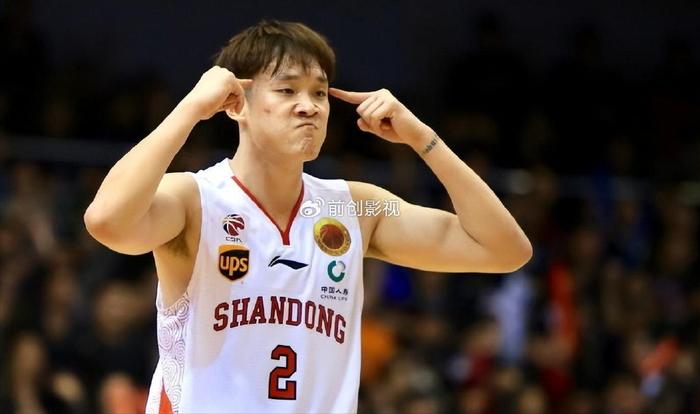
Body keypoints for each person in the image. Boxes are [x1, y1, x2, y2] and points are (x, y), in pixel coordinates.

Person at [84, 20, 532, 414]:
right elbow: (106, 221)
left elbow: (504, 250)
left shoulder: (353, 208)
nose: (310, 106)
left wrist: (424, 139)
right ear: (236, 103)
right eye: (287, 90)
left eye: (319, 92)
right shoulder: (194, 200)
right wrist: (189, 109)